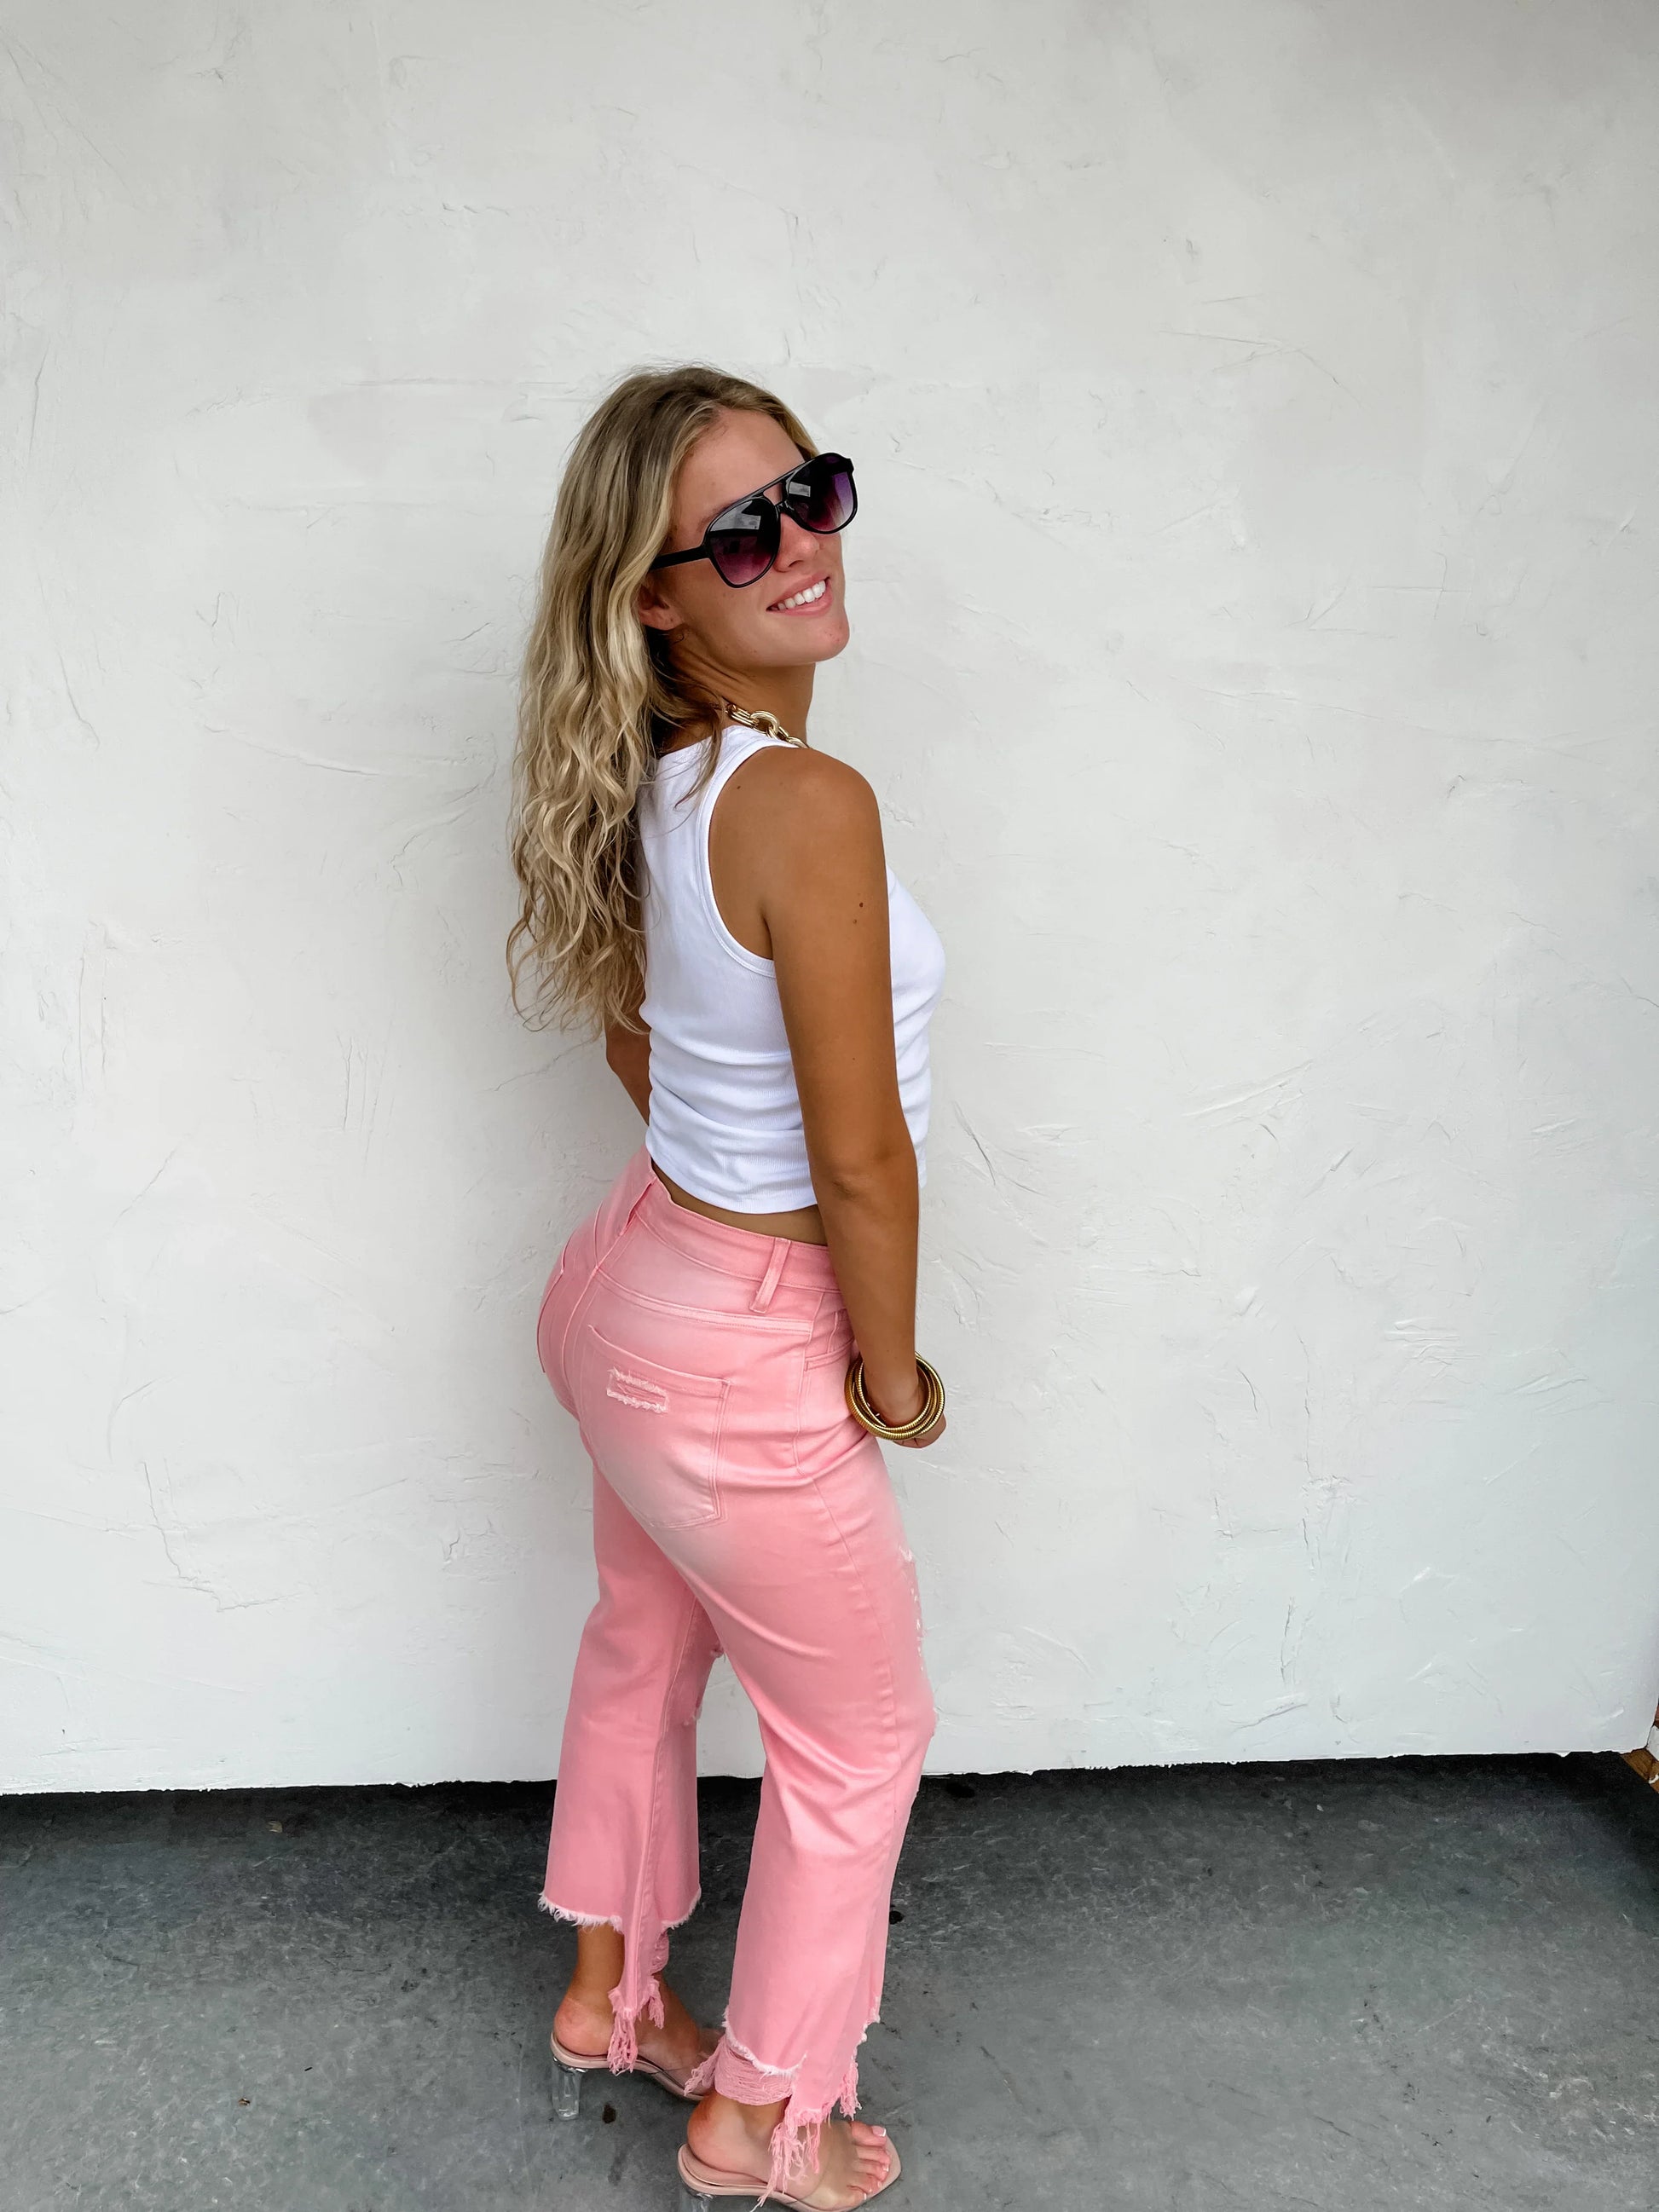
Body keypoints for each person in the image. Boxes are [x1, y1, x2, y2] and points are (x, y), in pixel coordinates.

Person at [508, 364, 947, 2209]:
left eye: (811, 493)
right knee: (859, 1738)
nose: (801, 545)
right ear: (657, 594)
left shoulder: (650, 778)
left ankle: (609, 1996)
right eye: (742, 533)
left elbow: (651, 1045)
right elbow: (860, 1159)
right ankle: (763, 2118)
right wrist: (892, 1377)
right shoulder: (805, 800)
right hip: (743, 1339)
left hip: (629, 1290)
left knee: (644, 1633)